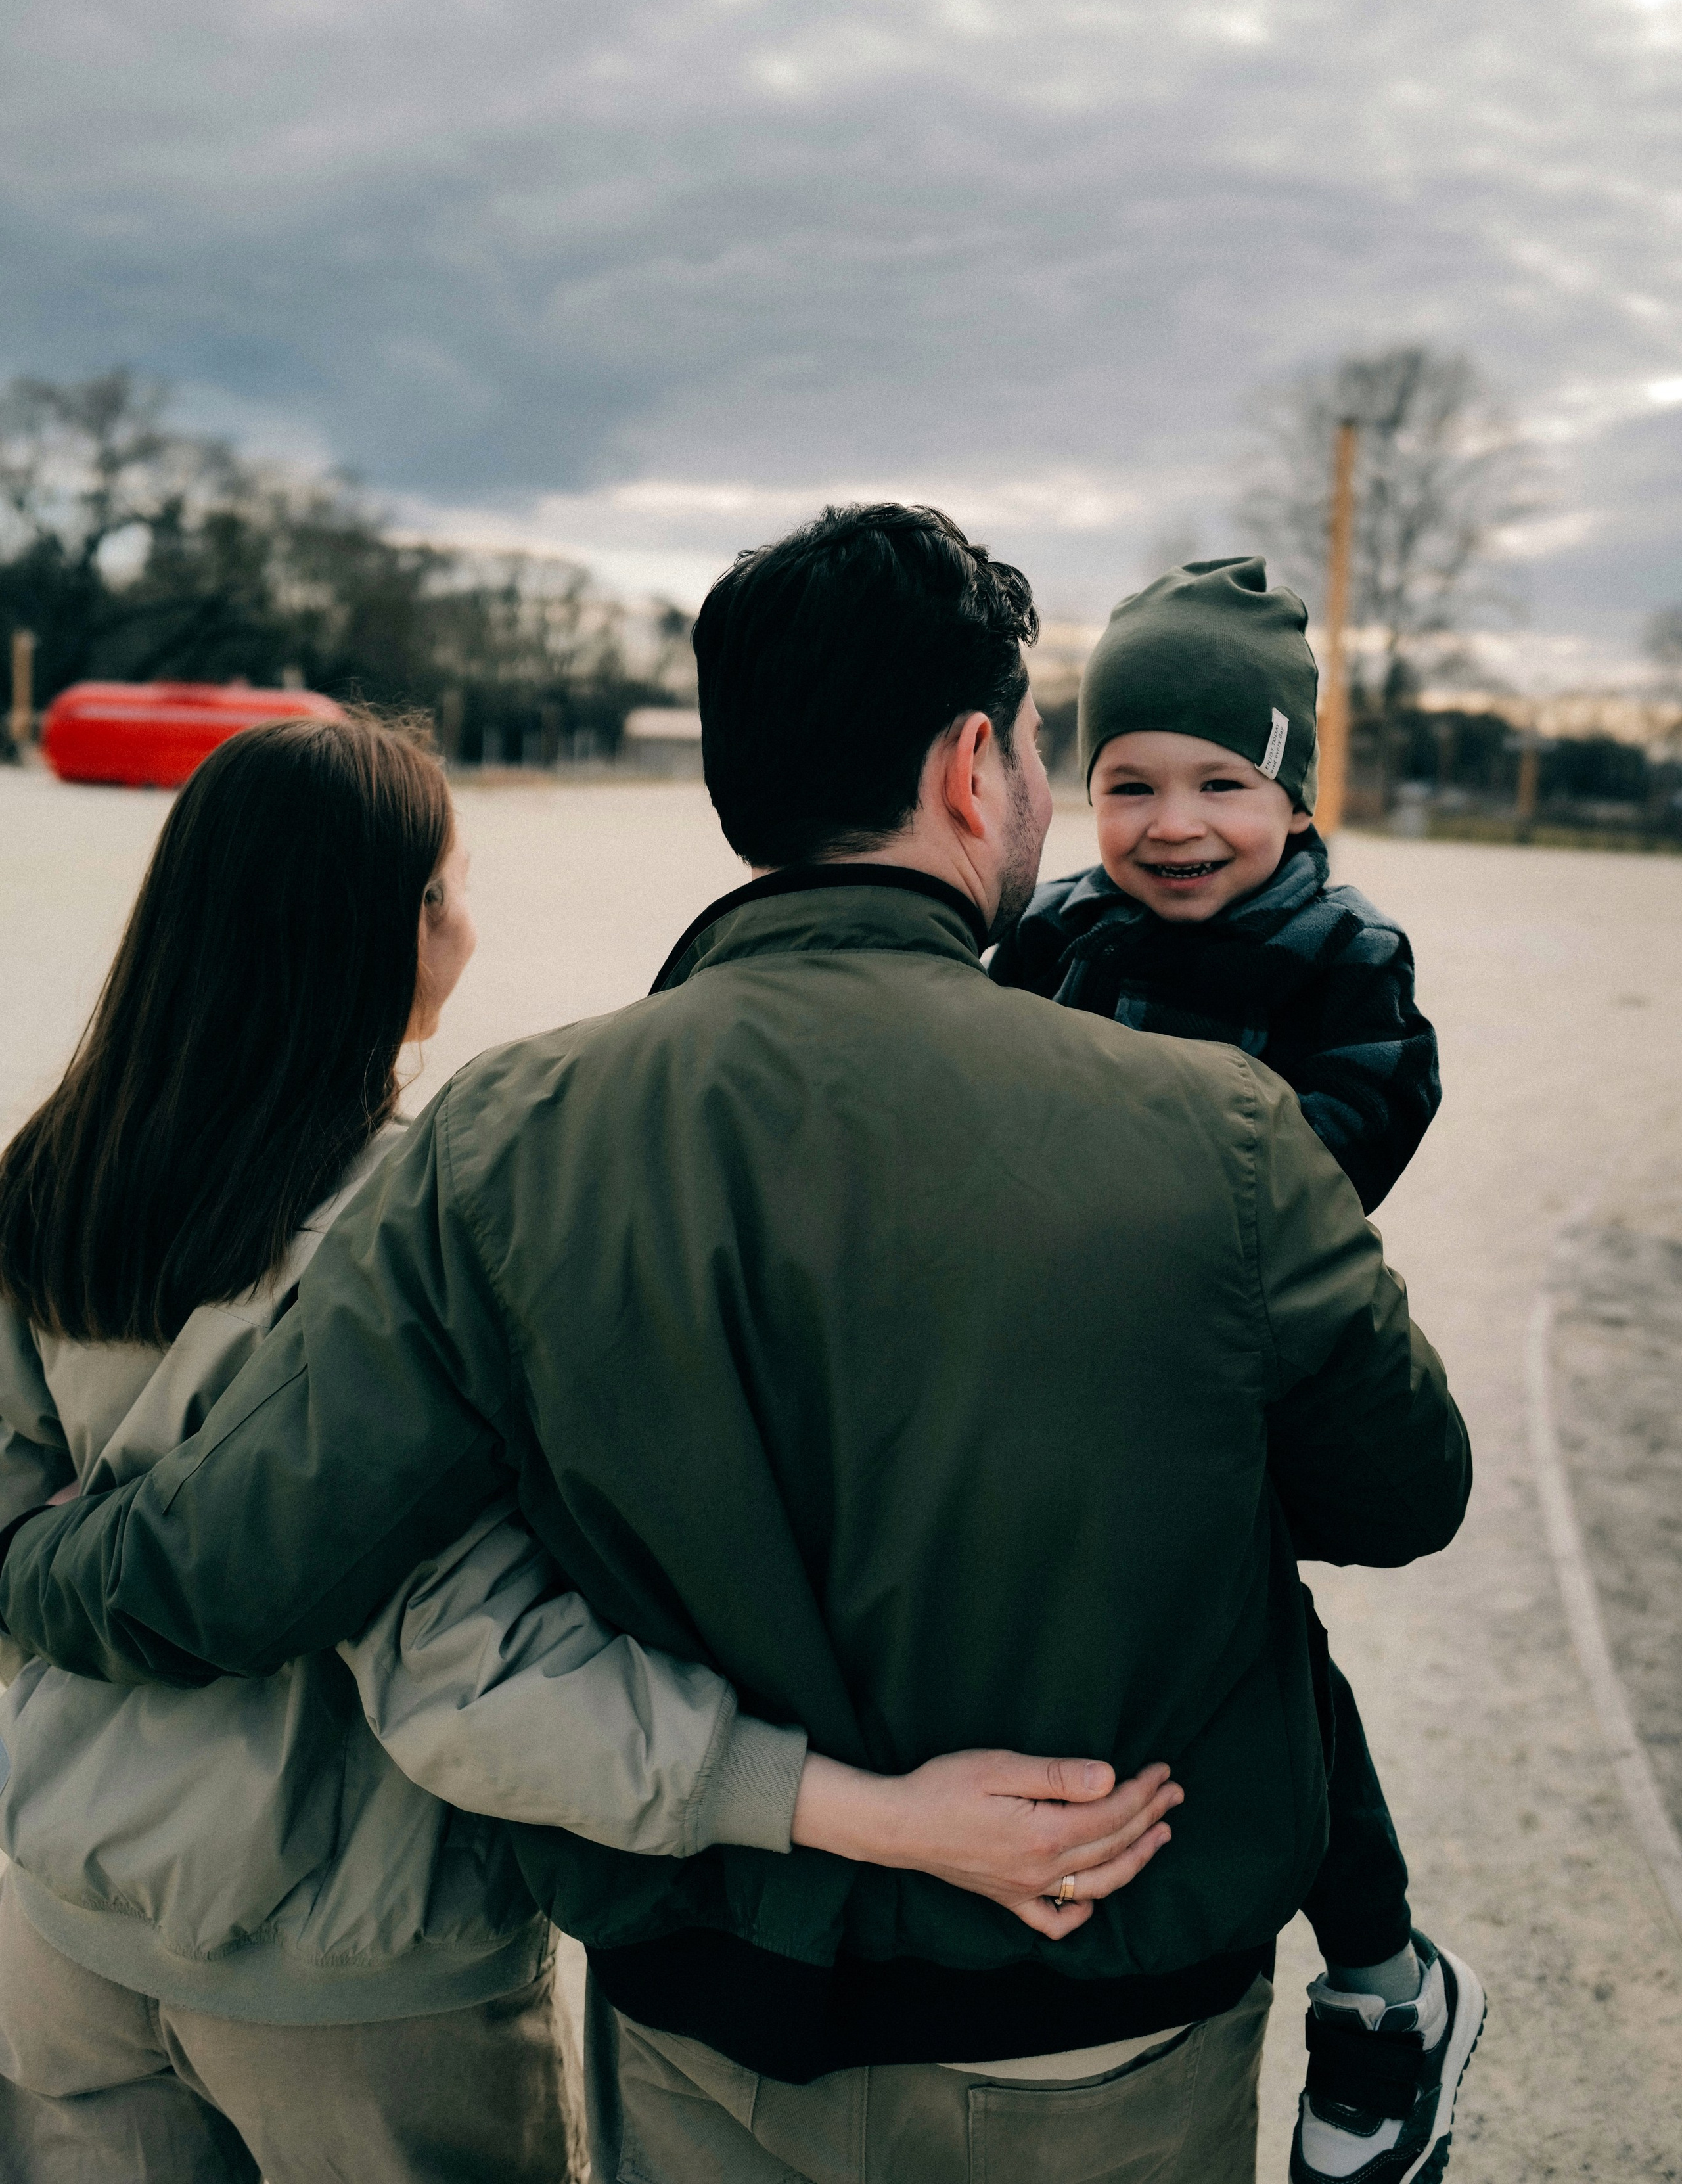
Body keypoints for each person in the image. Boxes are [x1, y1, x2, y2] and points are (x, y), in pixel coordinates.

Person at [0, 506, 1474, 2184]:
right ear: (973, 762)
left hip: (710, 2019)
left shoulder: (509, 1130)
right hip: (1099, 2000)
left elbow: (237, 1560)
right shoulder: (1220, 1123)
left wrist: (35, 1570)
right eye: (1062, 756)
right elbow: (1401, 1492)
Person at [989, 558, 1486, 2183]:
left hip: (1230, 1379)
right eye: (1127, 781)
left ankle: (1379, 1977)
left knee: (1268, 1670)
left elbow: (1342, 1149)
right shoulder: (1055, 931)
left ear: (1288, 791)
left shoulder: (1340, 960)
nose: (1171, 820)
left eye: (1222, 780)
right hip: (1070, 1376)